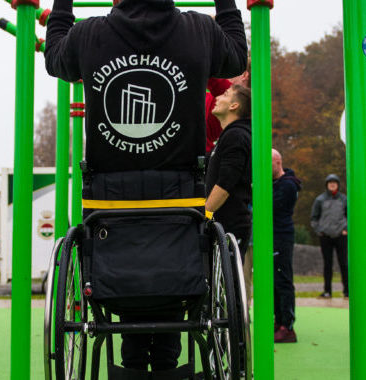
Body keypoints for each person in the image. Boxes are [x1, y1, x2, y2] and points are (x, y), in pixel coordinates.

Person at [45, 0, 248, 372]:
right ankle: (165, 363)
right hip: (181, 201)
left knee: (129, 269)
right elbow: (237, 58)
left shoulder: (90, 33)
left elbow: (54, 57)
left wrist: (63, 4)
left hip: (109, 206)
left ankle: (134, 363)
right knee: (171, 265)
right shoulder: (199, 29)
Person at [205, 85, 252, 263]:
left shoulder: (237, 136)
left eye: (225, 94)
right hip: (223, 224)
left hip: (230, 226)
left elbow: (225, 185)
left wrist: (205, 215)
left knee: (228, 284)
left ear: (234, 106)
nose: (218, 98)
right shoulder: (229, 136)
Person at [272, 149, 301, 343]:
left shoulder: (288, 185)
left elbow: (273, 206)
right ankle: (278, 320)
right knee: (274, 281)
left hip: (281, 236)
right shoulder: (275, 184)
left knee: (283, 279)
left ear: (277, 162)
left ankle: (287, 326)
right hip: (272, 235)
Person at [310, 174, 349, 299]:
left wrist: (346, 229)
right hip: (325, 236)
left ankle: (347, 291)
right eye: (330, 183)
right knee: (328, 264)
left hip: (341, 235)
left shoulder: (344, 199)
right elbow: (314, 218)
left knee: (344, 263)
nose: (332, 185)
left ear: (338, 184)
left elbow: (350, 216)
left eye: (334, 182)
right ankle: (327, 291)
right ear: (326, 185)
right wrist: (319, 230)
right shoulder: (320, 200)